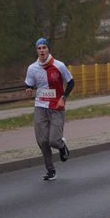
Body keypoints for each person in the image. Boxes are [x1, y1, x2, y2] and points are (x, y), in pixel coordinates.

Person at [25, 37, 74, 181]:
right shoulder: (32, 68)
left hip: (56, 106)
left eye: (44, 48)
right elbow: (29, 84)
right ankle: (50, 170)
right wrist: (29, 89)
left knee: (53, 140)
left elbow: (71, 82)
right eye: (39, 48)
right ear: (36, 51)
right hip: (40, 106)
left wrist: (63, 97)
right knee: (42, 141)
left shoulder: (59, 65)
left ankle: (61, 145)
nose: (42, 51)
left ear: (48, 49)